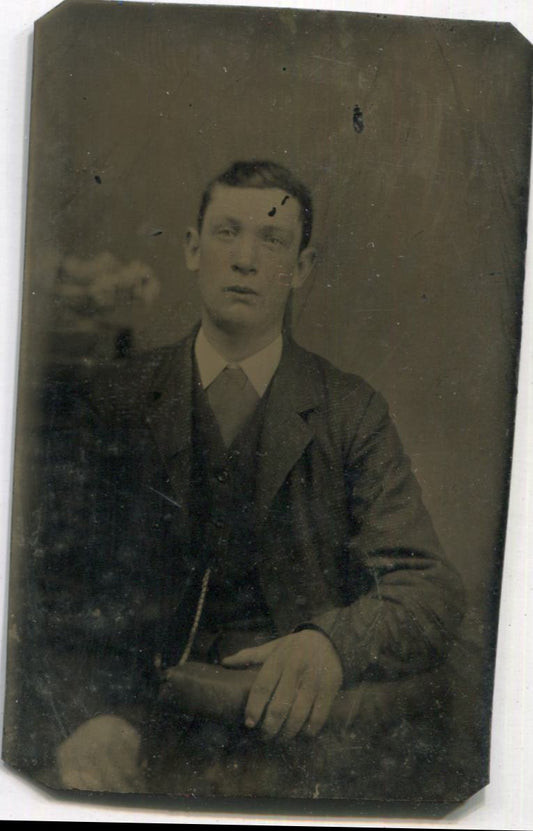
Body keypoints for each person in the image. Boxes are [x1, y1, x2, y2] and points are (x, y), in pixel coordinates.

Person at [23, 160, 466, 797]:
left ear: (302, 269)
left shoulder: (350, 410)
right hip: (132, 737)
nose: (246, 260)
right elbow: (44, 594)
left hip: (292, 752)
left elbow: (429, 588)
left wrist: (330, 644)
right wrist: (86, 713)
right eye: (228, 233)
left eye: (273, 240)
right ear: (192, 249)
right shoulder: (111, 397)